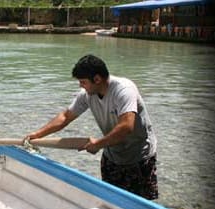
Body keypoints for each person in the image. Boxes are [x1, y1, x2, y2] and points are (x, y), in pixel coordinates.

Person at [25, 54, 158, 200]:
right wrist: (37, 134)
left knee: (140, 206)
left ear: (97, 79)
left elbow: (126, 126)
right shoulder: (87, 94)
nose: (80, 86)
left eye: (83, 82)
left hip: (138, 157)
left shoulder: (124, 90)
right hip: (111, 155)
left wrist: (98, 144)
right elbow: (65, 117)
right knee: (110, 201)